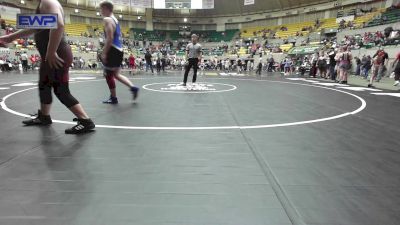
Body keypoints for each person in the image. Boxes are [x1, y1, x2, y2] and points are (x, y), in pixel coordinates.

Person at [0, 0, 95, 134]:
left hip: (56, 54)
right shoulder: (44, 3)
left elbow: (59, 24)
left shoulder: (48, 2)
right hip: (52, 54)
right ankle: (44, 117)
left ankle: (86, 121)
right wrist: (10, 37)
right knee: (44, 85)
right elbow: (35, 27)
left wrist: (51, 51)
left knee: (61, 90)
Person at [99, 1, 139, 104]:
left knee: (108, 75)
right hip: (119, 49)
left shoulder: (107, 19)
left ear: (107, 8)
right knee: (116, 74)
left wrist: (104, 52)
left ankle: (113, 98)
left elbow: (110, 38)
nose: (101, 11)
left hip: (112, 49)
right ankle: (133, 87)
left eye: (102, 9)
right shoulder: (115, 19)